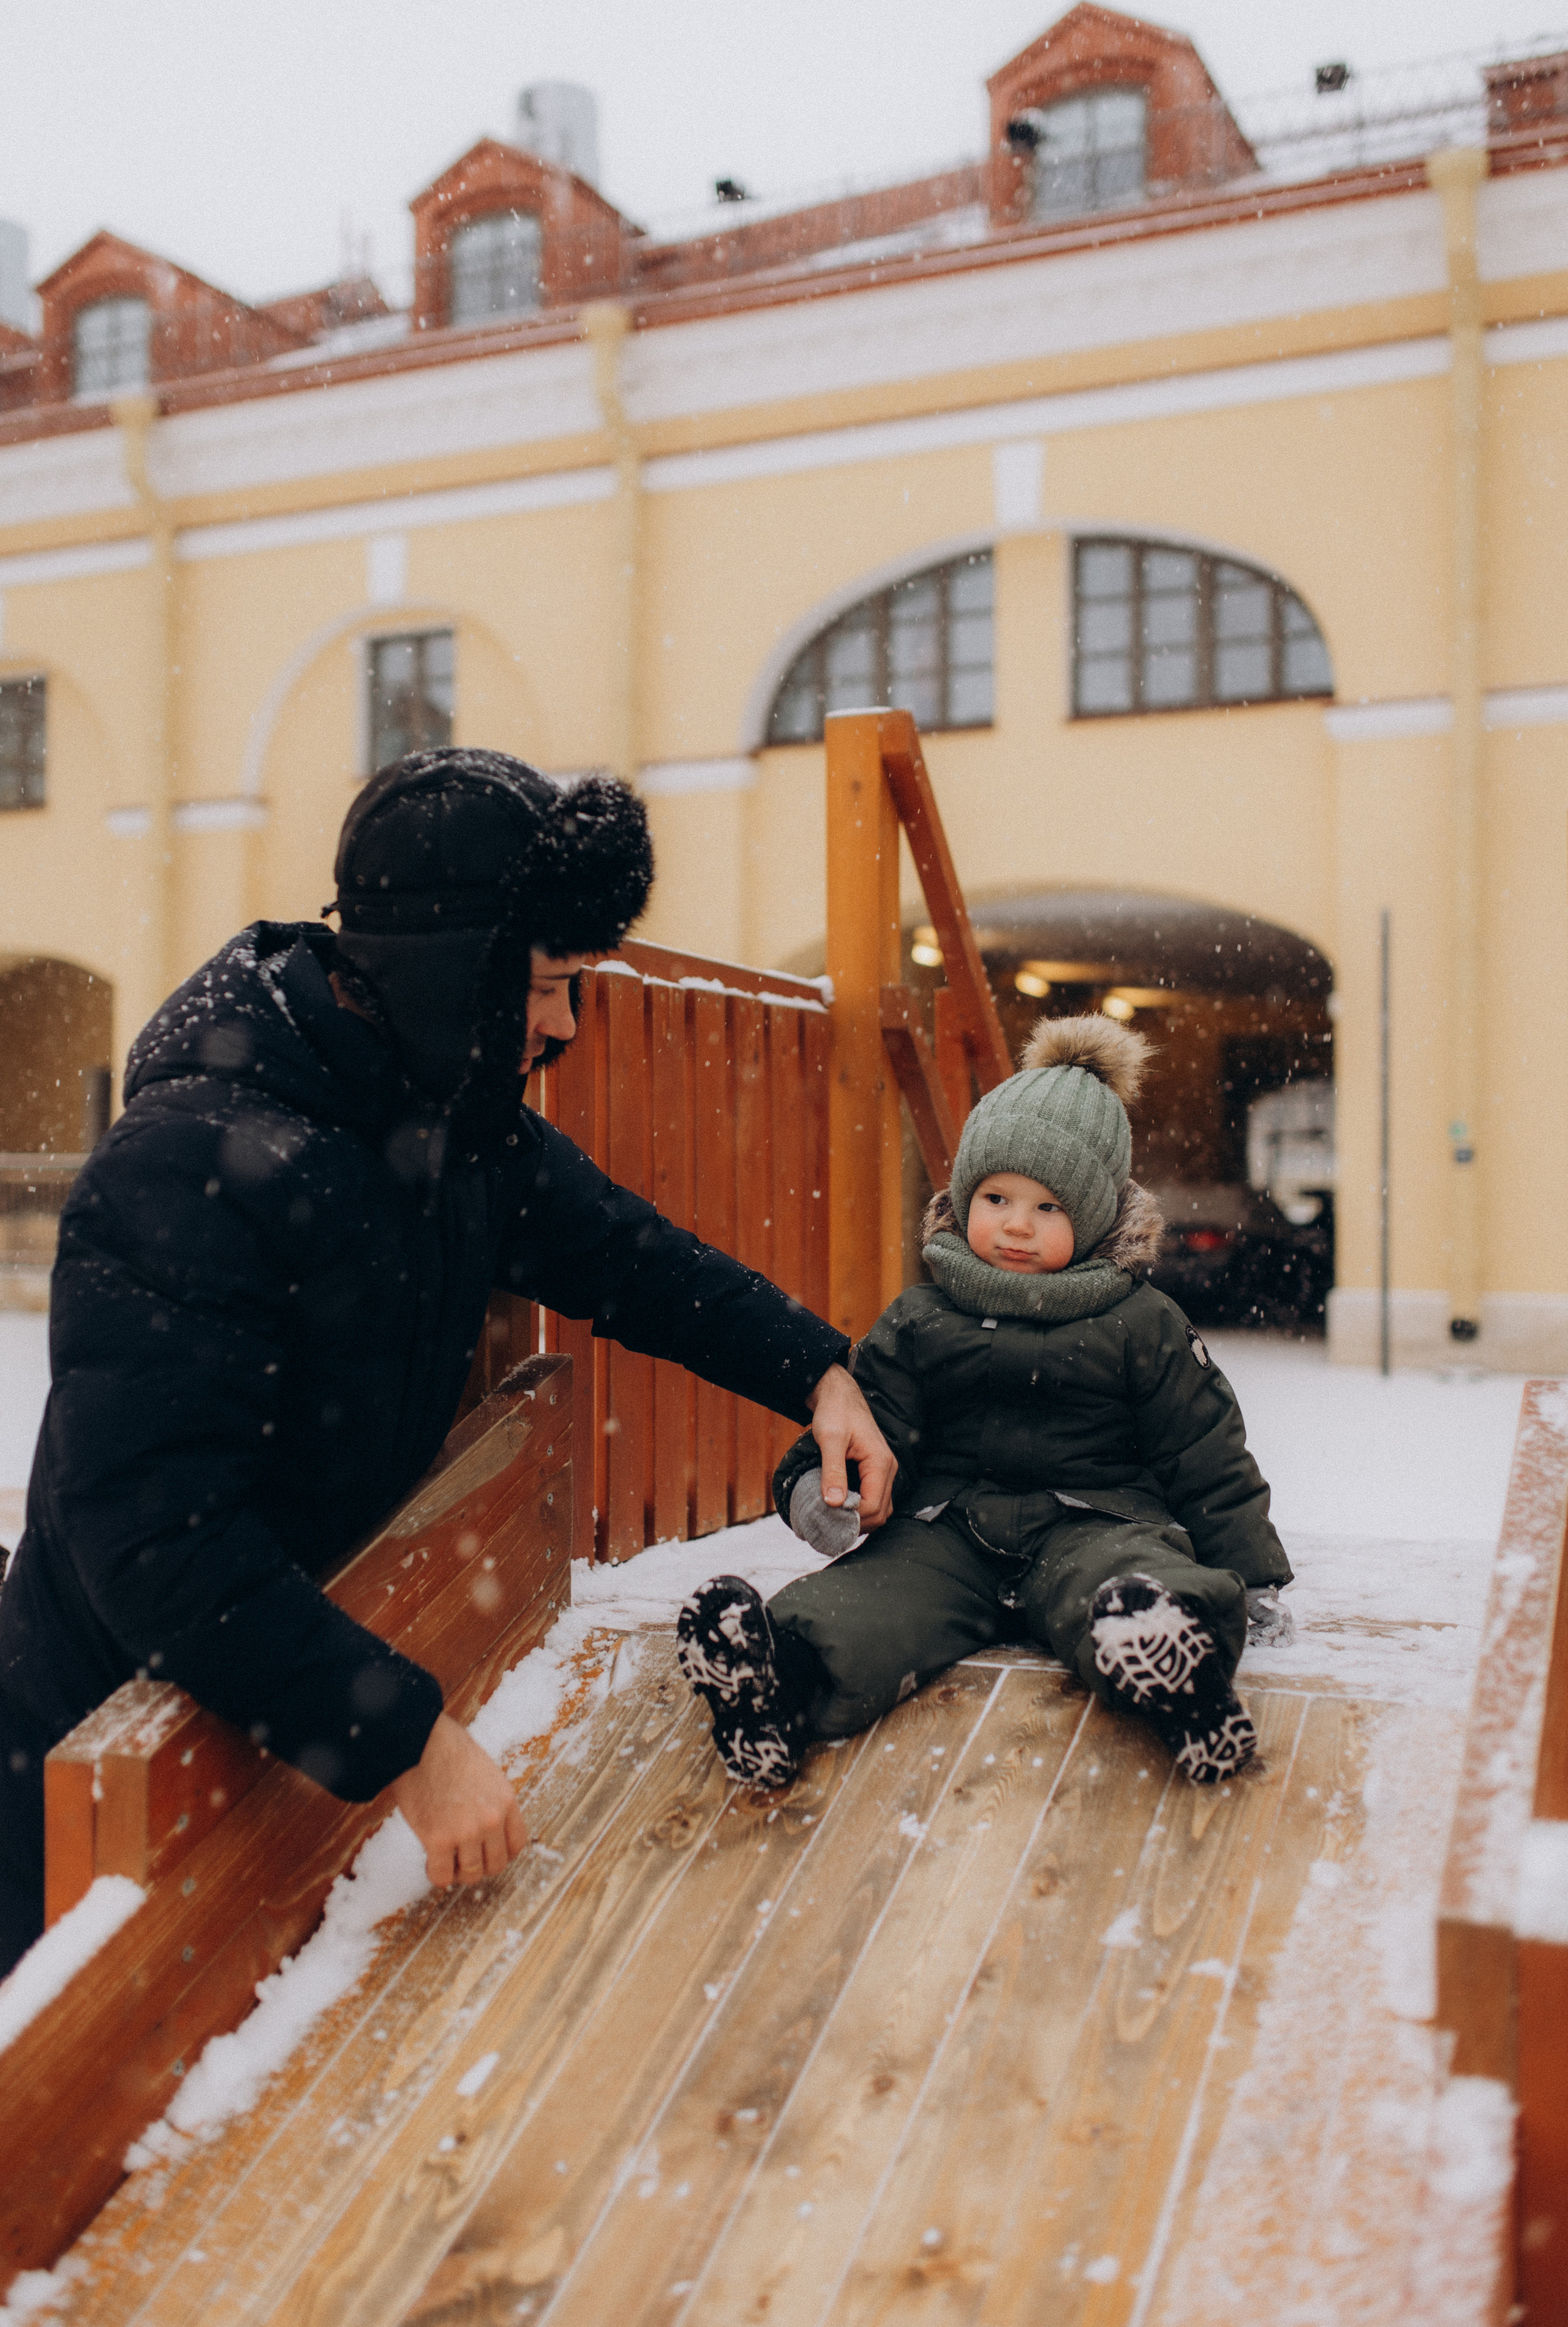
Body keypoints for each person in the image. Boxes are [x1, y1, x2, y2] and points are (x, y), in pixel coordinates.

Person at [0, 749, 892, 1975]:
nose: (564, 1025)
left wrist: (818, 1371)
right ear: (440, 977)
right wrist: (408, 1740)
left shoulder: (455, 1127)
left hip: (280, 1715)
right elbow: (159, 1546)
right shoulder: (184, 1169)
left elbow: (629, 1257)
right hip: (86, 1760)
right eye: (542, 987)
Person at [676, 1012, 1294, 1790]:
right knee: (871, 1603)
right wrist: (821, 1488)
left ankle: (1182, 1682)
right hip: (947, 1533)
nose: (1014, 1226)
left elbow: (1204, 1451)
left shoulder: (1141, 1323)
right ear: (963, 1194)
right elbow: (872, 1420)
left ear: (1098, 1218)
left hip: (1095, 1523)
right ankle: (777, 1687)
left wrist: (1252, 1572)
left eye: (1048, 1208)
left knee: (1127, 1583)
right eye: (996, 1196)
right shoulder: (922, 1318)